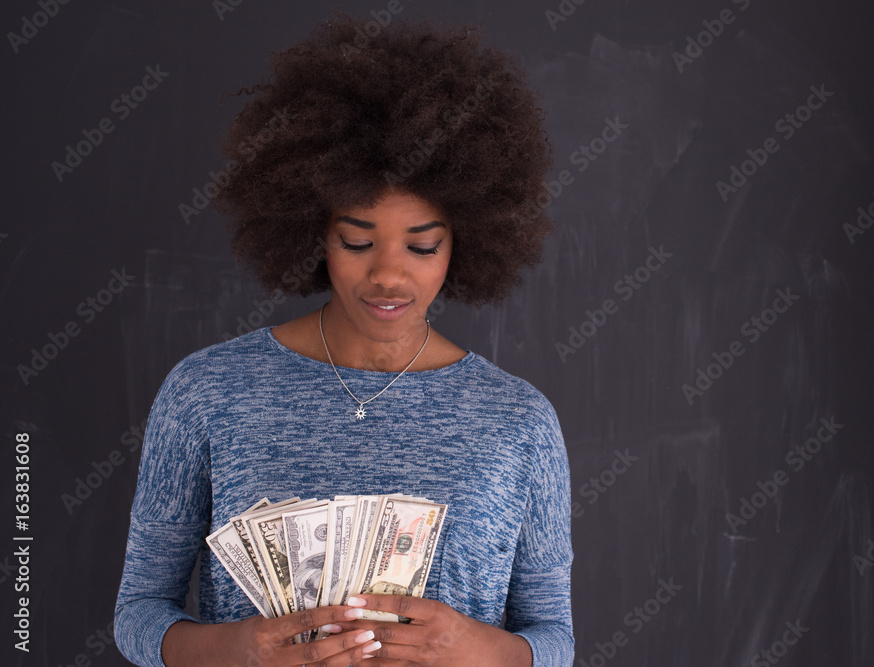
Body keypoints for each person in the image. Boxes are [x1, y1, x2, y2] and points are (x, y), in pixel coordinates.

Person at [113, 13, 574, 667]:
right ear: (313, 232)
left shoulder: (520, 420)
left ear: (465, 240)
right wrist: (239, 648)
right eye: (358, 240)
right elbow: (139, 614)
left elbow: (555, 636)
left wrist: (484, 649)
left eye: (422, 244)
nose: (388, 273)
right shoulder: (207, 390)